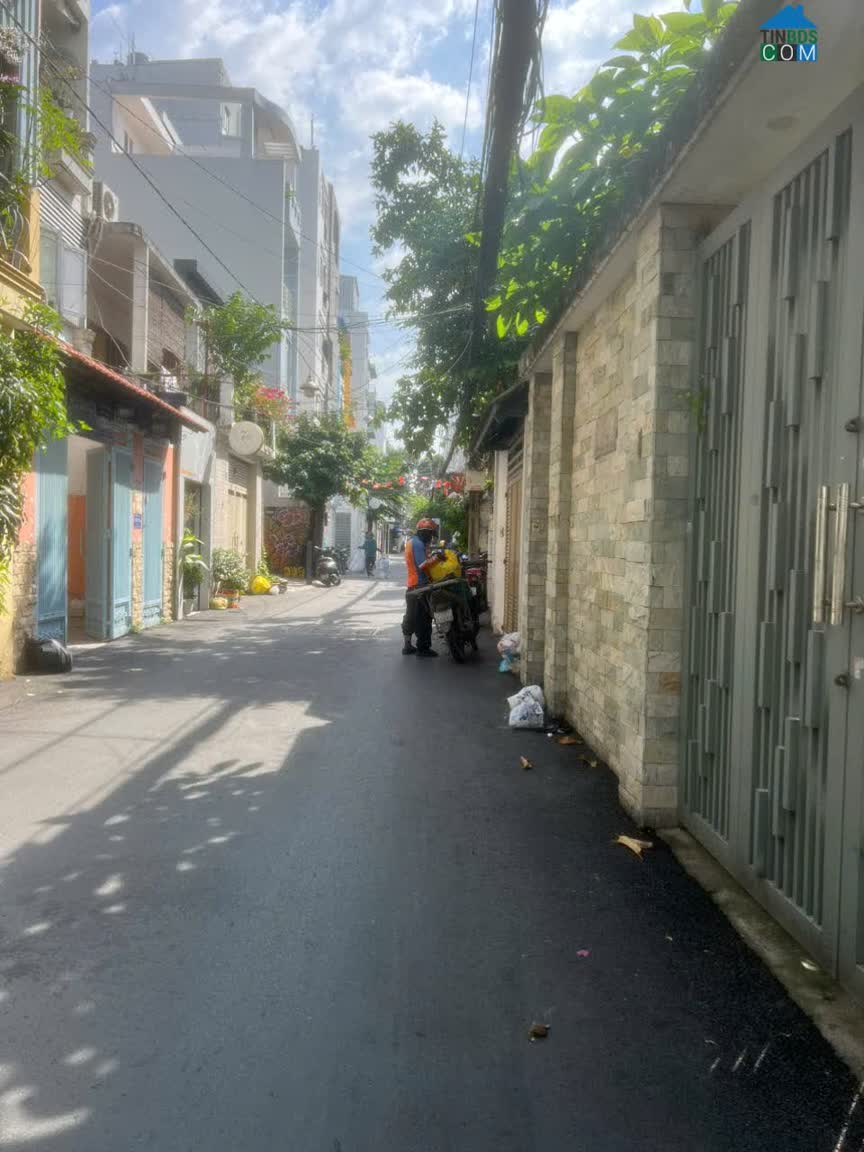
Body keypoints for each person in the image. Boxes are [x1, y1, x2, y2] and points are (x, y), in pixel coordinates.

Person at [402, 518, 440, 657]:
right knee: (423, 618)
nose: (431, 538)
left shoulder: (413, 542)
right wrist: (437, 558)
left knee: (411, 616)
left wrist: (431, 553)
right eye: (430, 535)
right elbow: (422, 565)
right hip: (420, 586)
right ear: (425, 532)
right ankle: (423, 648)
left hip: (412, 585)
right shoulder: (417, 544)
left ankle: (407, 646)